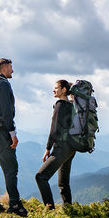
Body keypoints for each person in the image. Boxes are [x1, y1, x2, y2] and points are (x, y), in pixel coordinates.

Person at [0, 58, 28, 217]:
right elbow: (6, 112)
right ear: (4, 68)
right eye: (10, 68)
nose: (12, 71)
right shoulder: (3, 84)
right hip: (0, 131)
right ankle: (14, 204)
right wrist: (13, 133)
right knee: (10, 168)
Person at [35, 79, 76, 210]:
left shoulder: (60, 105)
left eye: (56, 88)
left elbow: (54, 129)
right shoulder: (71, 105)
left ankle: (50, 210)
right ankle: (68, 209)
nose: (54, 90)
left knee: (40, 177)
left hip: (61, 147)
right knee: (63, 183)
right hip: (71, 147)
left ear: (64, 90)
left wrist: (47, 148)